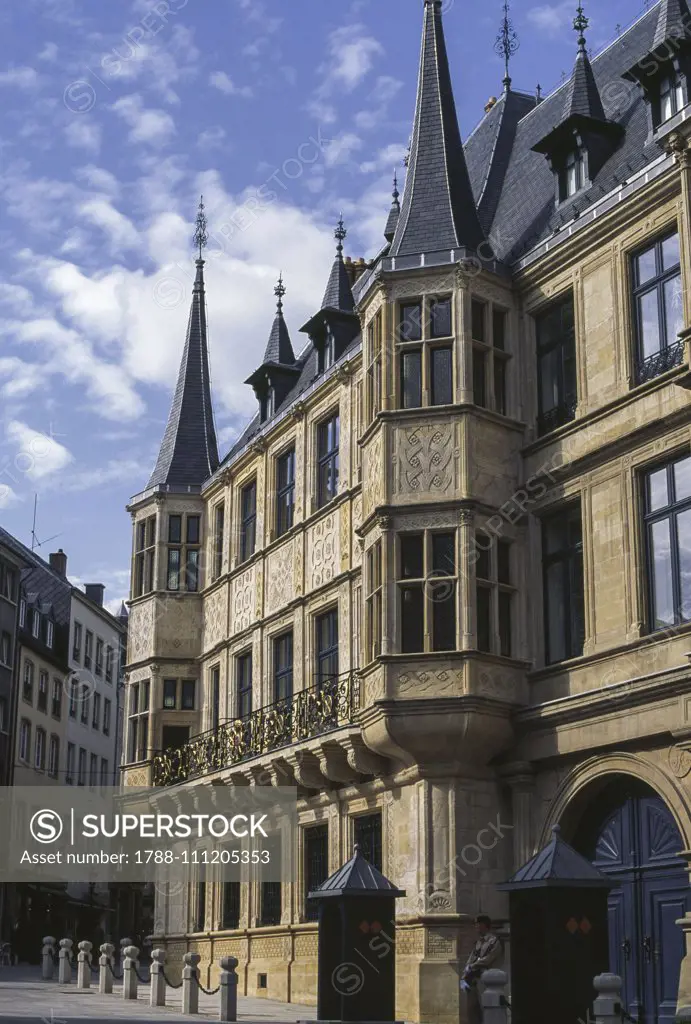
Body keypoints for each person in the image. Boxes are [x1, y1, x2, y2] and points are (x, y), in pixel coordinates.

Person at [461, 915, 503, 1024]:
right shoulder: (479, 942)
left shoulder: (494, 941)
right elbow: (471, 958)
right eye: (475, 924)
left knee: (487, 1008)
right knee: (472, 1010)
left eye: (478, 924)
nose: (476, 927)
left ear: (485, 925)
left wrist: (472, 966)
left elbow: (488, 959)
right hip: (474, 979)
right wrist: (464, 975)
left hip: (487, 979)